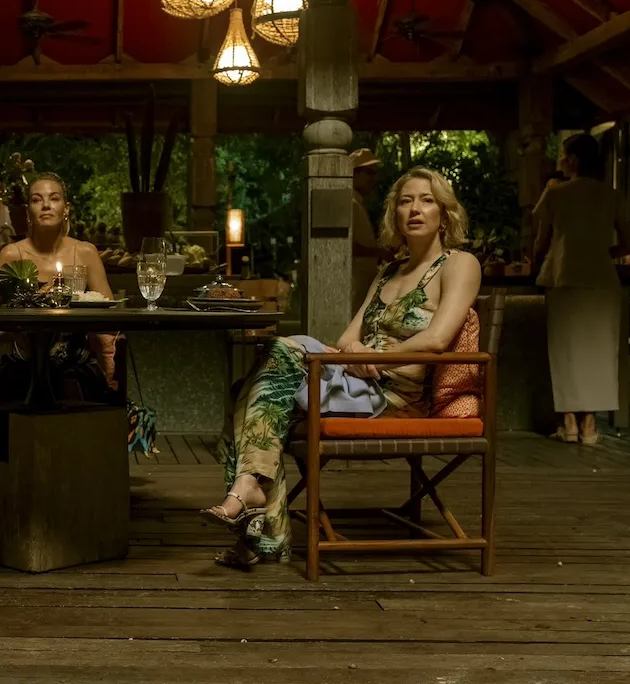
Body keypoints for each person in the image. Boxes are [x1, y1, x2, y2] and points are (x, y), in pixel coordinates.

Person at [201, 167, 482, 569]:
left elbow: (438, 339)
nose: (414, 209)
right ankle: (254, 503)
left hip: (393, 394)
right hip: (351, 377)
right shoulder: (389, 271)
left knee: (255, 385)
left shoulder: (459, 264)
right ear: (394, 214)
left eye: (426, 199)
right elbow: (346, 337)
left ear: (445, 212)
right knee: (262, 382)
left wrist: (376, 357)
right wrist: (354, 353)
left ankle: (261, 524)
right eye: (405, 201)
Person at [534, 133, 630, 445]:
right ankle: (590, 425)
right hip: (603, 280)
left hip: (564, 277)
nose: (561, 161)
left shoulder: (555, 194)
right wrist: (603, 254)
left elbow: (541, 242)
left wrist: (535, 265)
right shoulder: (611, 195)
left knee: (564, 352)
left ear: (574, 160)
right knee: (599, 353)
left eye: (563, 156)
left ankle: (569, 423)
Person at [0, 172, 119, 401]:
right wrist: (22, 327)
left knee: (70, 385)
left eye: (54, 198)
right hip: (24, 364)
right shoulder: (11, 254)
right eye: (36, 199)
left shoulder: (85, 252)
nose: (45, 205)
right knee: (22, 386)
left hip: (76, 365)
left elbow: (110, 319)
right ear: (27, 212)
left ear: (66, 209)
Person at [350, 148, 389, 312]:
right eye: (370, 173)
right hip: (354, 283)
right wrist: (379, 252)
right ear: (354, 174)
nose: (374, 179)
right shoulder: (349, 202)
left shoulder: (357, 202)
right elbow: (347, 246)